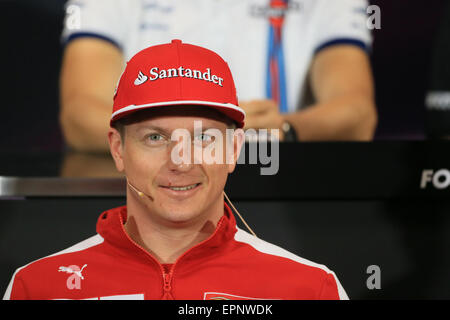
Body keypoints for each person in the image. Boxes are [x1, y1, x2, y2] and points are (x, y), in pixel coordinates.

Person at [4, 40, 348, 300]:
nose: (181, 161)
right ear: (118, 148)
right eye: (155, 137)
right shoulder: (36, 287)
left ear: (233, 149)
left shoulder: (310, 288)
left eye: (203, 137)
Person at [60, 0, 377, 152]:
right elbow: (79, 116)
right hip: (145, 198)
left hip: (273, 188)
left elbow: (357, 114)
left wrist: (284, 128)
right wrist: (182, 136)